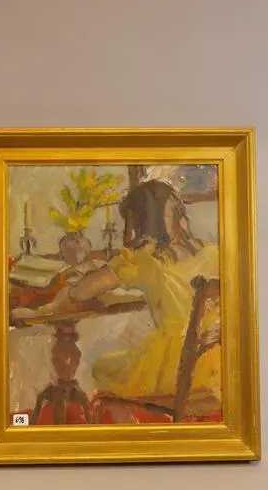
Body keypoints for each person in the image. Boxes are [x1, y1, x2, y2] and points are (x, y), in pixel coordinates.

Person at [17, 179, 222, 420]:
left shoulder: (144, 259)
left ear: (141, 223)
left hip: (172, 369)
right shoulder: (213, 252)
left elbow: (80, 292)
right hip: (216, 368)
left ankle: (128, 435)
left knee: (102, 369)